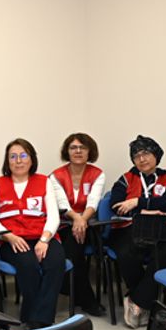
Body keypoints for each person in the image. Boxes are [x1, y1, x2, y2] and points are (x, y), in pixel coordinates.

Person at [0, 138, 66, 329]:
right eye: (13, 156)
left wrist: (44, 240)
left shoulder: (44, 182)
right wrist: (9, 236)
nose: (19, 160)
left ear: (32, 159)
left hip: (43, 237)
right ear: (7, 161)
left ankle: (37, 318)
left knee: (56, 263)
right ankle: (39, 322)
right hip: (11, 240)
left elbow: (54, 216)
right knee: (28, 265)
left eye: (23, 155)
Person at [107, 135, 166, 328]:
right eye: (137, 156)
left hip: (163, 227)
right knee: (126, 251)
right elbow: (116, 205)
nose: (142, 159)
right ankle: (148, 303)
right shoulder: (126, 179)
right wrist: (145, 210)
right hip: (129, 227)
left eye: (146, 153)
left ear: (156, 155)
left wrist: (137, 202)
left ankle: (137, 301)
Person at [50, 133, 106, 317]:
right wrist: (77, 219)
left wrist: (82, 220)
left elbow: (93, 202)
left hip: (89, 224)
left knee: (74, 247)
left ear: (90, 151)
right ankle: (87, 299)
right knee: (74, 247)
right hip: (64, 223)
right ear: (67, 151)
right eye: (73, 147)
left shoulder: (98, 174)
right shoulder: (56, 176)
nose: (78, 151)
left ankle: (71, 289)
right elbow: (62, 204)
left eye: (83, 147)